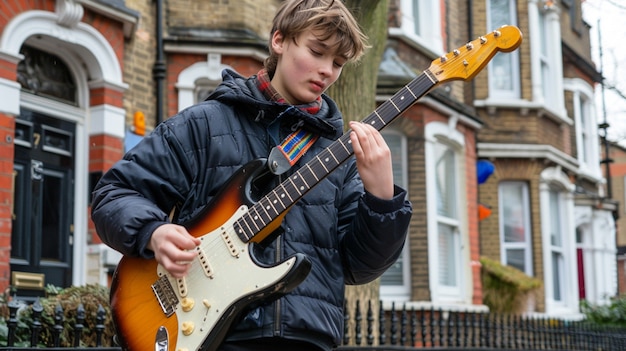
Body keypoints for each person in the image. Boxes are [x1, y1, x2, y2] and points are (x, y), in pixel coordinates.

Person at [91, 0, 412, 350]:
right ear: (279, 40)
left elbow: (359, 266)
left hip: (306, 338)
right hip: (208, 332)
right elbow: (115, 193)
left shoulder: (340, 153)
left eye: (337, 62)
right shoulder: (204, 124)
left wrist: (382, 197)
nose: (327, 71)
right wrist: (154, 232)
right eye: (317, 52)